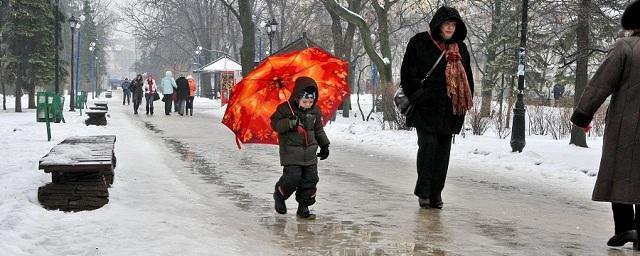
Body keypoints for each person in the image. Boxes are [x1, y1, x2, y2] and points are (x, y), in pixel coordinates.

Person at [570, 0, 640, 249]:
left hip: (627, 125)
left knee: (620, 172)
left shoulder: (625, 48)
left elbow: (601, 84)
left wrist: (582, 115)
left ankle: (625, 228)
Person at [400, 6, 474, 209]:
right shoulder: (420, 42)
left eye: (453, 24)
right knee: (428, 148)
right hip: (425, 109)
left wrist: (464, 104)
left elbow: (467, 79)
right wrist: (419, 95)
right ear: (438, 25)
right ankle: (423, 192)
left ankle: (436, 193)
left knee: (443, 154)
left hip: (449, 111)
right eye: (446, 24)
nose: (450, 28)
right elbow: (407, 73)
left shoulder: (461, 49)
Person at [270, 77, 330, 219]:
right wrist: (290, 122)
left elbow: (318, 130)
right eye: (305, 101)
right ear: (297, 97)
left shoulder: (315, 111)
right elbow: (275, 125)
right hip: (291, 152)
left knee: (311, 179)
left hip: (310, 153)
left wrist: (325, 145)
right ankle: (280, 194)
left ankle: (303, 207)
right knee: (293, 178)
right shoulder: (285, 109)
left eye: (311, 101)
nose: (308, 104)